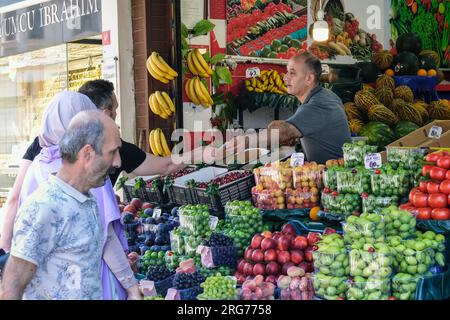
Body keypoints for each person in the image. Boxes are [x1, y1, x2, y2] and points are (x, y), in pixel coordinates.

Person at [1, 92, 140, 300]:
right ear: (87, 153)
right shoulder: (44, 206)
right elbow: (13, 284)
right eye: (112, 152)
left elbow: (104, 238)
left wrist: (132, 288)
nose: (118, 163)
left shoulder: (89, 197)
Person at [221, 52, 351, 164]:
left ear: (309, 78)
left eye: (292, 73)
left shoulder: (319, 104)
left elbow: (285, 132)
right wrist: (284, 124)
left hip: (333, 180)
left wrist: (245, 140)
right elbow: (313, 125)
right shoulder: (327, 95)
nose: (285, 77)